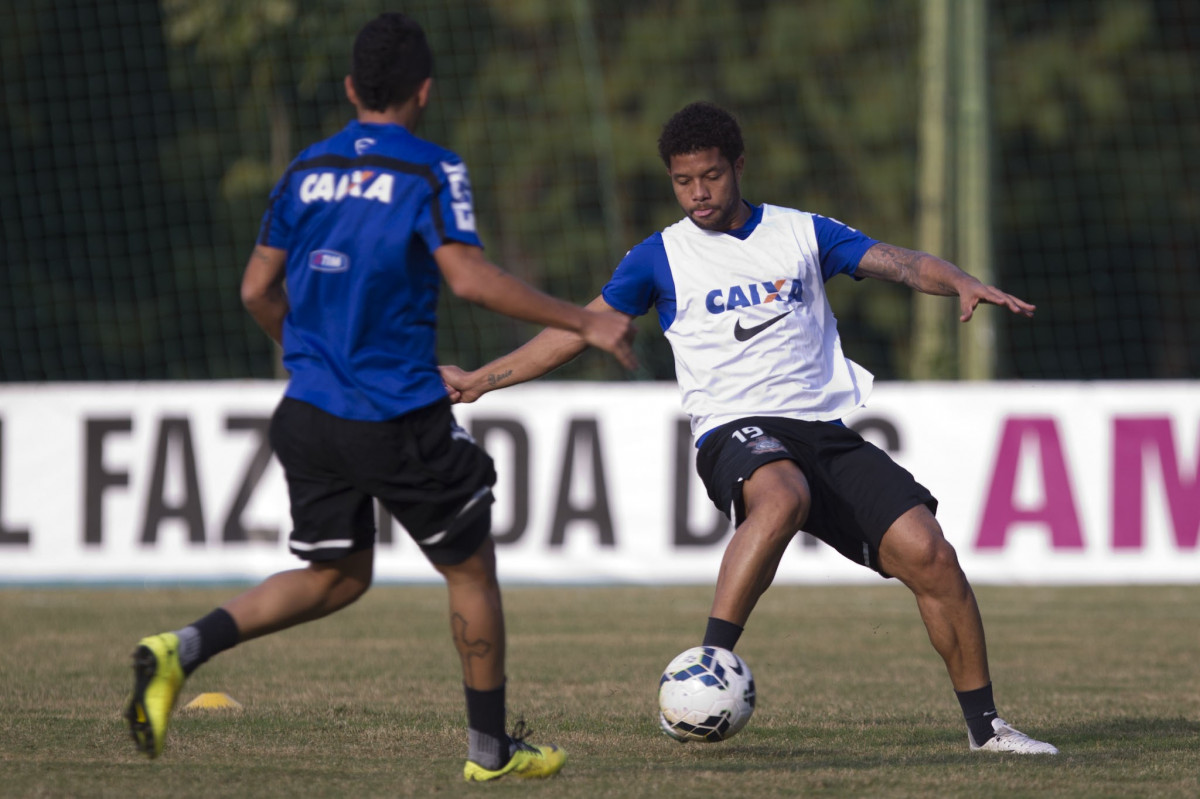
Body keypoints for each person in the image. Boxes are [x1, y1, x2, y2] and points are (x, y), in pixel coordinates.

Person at [441, 101, 1058, 755]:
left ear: (738, 166)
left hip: (823, 429)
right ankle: (704, 670)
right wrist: (482, 378)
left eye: (710, 176)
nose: (697, 193)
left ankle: (988, 728)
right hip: (735, 428)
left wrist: (958, 280)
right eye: (683, 181)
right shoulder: (660, 257)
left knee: (932, 555)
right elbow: (574, 333)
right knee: (782, 494)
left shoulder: (801, 233)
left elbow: (899, 262)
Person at [123, 12, 637, 782]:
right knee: (469, 570)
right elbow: (467, 276)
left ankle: (181, 648)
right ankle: (490, 754)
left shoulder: (304, 169)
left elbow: (256, 289)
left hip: (308, 413)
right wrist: (583, 318)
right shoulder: (430, 169)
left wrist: (313, 357)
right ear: (424, 91)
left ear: (350, 88)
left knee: (337, 574)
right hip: (394, 413)